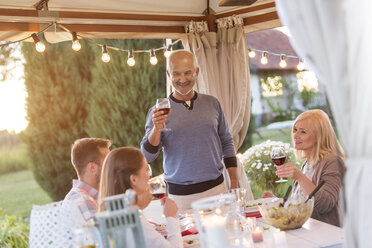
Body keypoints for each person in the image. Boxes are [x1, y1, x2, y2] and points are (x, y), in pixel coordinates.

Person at [140, 50, 238, 211]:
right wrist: (156, 129)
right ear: (168, 74)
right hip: (180, 197)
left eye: (187, 73)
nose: (182, 79)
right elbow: (147, 156)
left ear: (196, 72)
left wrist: (233, 182)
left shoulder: (212, 103)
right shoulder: (157, 112)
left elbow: (226, 141)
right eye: (176, 74)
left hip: (217, 190)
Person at [98, 147, 183, 248]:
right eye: (146, 170)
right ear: (133, 179)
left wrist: (138, 208)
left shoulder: (111, 214)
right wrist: (171, 217)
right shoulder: (133, 220)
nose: (149, 176)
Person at [275, 109, 346, 226]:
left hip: (328, 234)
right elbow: (300, 203)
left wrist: (299, 177)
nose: (295, 136)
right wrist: (275, 201)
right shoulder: (307, 163)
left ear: (319, 136)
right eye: (295, 130)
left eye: (303, 132)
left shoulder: (332, 161)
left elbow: (325, 204)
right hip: (308, 229)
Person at [59, 138, 111, 246]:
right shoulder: (82, 201)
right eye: (108, 162)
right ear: (92, 167)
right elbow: (106, 242)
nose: (112, 167)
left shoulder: (89, 196)